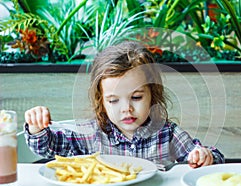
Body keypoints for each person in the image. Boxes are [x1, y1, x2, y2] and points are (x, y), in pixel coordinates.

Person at [24, 41, 224, 168]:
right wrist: (36, 128)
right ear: (101, 102)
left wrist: (204, 156)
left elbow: (212, 156)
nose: (126, 108)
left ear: (152, 96)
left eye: (136, 97)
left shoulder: (167, 134)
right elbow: (48, 148)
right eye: (113, 101)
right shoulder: (91, 134)